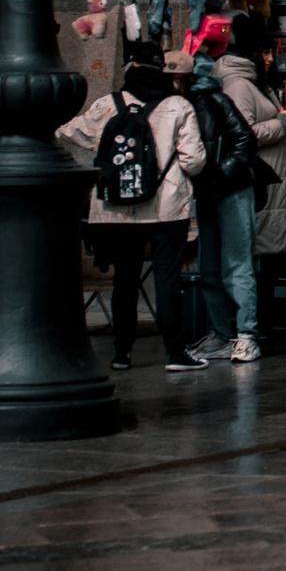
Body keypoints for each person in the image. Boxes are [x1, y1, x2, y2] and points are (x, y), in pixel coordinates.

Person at [60, 43, 208, 371]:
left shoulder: (108, 104)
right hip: (167, 208)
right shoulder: (178, 105)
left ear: (132, 68)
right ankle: (175, 353)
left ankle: (121, 353)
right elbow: (194, 161)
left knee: (124, 279)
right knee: (168, 279)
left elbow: (71, 133)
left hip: (116, 208)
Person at [186, 16, 286, 366]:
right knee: (214, 265)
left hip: (226, 186)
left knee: (233, 262)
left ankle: (244, 333)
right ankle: (223, 333)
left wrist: (221, 175)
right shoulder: (207, 96)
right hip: (213, 188)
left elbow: (243, 138)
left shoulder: (217, 97)